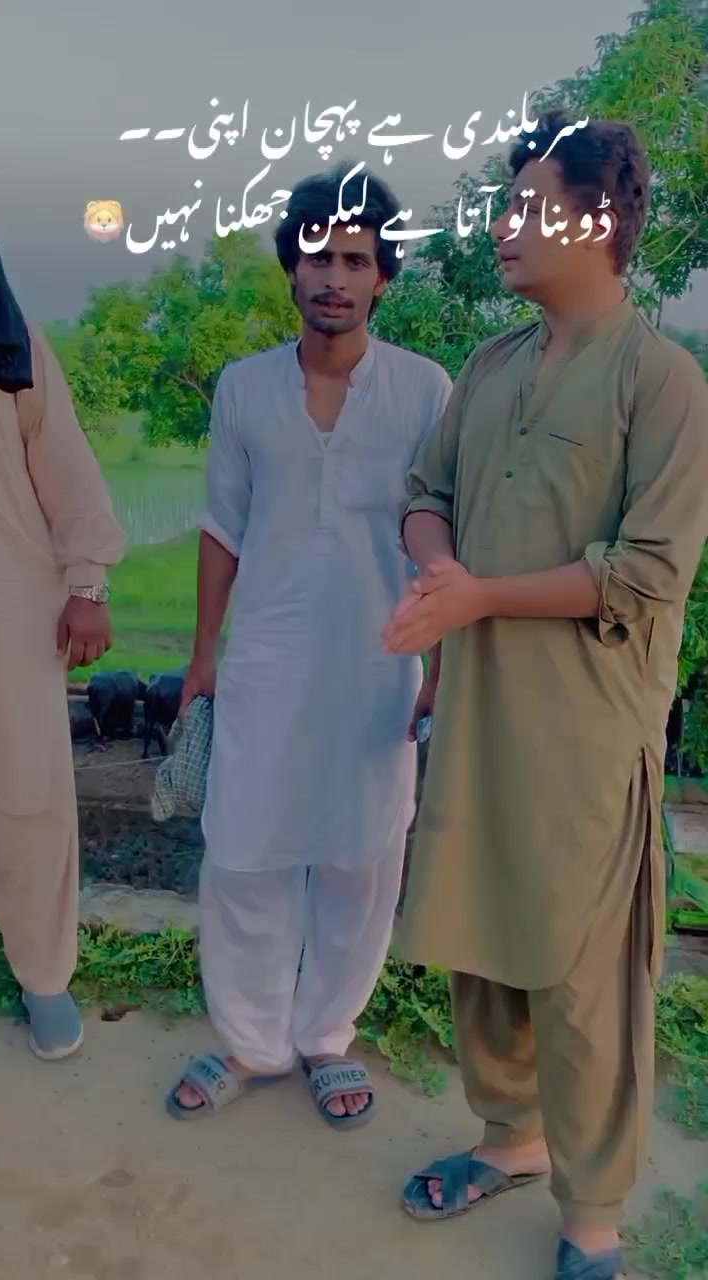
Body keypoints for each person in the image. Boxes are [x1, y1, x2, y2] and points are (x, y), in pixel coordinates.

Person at [382, 111, 708, 1279]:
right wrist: (442, 578)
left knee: (583, 978)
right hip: (478, 716)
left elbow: (648, 570)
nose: (504, 227)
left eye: (528, 206)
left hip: (587, 734)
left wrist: (479, 596)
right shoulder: (490, 366)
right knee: (482, 943)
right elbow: (425, 492)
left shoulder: (663, 381)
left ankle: (593, 1214)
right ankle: (510, 1136)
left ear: (599, 218)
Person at [166, 163, 453, 1128]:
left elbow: (443, 528)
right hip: (266, 657)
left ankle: (328, 1034)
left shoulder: (424, 389)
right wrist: (203, 656)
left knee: (360, 855)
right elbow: (223, 526)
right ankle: (252, 1040)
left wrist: (440, 668)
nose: (335, 277)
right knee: (244, 849)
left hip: (379, 664)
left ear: (384, 277)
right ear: (291, 266)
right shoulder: (245, 388)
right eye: (320, 257)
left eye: (356, 261)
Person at [0, 224, 125, 1058]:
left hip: (10, 613)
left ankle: (43, 974)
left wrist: (88, 587)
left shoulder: (11, 348)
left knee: (27, 795)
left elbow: (68, 472)